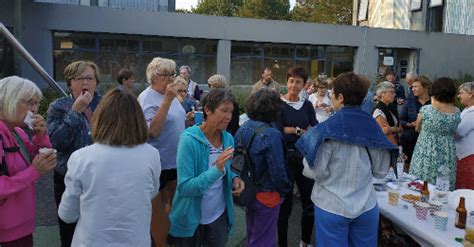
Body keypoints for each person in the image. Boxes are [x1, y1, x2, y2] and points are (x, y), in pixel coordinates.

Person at [295, 72, 396, 247]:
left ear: (340, 98)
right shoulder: (373, 126)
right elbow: (381, 171)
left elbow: (315, 171)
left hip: (331, 205)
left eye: (332, 94)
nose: (330, 97)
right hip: (366, 205)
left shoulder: (326, 128)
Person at [58, 89, 161, 246]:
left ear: (100, 119)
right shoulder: (151, 154)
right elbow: (151, 192)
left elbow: (67, 214)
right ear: (138, 120)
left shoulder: (81, 158)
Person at [169, 89, 245, 246]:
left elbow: (226, 170)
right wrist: (216, 169)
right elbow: (185, 188)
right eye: (224, 111)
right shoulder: (189, 140)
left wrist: (234, 178)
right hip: (191, 219)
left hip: (218, 217)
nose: (229, 117)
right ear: (208, 110)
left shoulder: (228, 138)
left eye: (231, 111)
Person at [47, 60, 102, 247]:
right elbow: (57, 142)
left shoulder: (105, 104)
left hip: (100, 176)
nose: (85, 83)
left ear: (96, 82)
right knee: (68, 227)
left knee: (97, 227)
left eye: (90, 78)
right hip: (66, 176)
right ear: (70, 83)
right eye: (79, 78)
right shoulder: (58, 106)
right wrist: (75, 111)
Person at [0, 76, 57, 247]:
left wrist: (41, 136)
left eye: (37, 103)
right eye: (30, 103)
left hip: (21, 225)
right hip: (5, 231)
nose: (35, 109)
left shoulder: (17, 131)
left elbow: (32, 156)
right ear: (10, 100)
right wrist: (34, 172)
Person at [138, 57, 188, 246]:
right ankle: (158, 241)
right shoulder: (146, 97)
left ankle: (171, 237)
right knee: (154, 209)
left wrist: (187, 120)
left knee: (175, 202)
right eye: (166, 74)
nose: (171, 78)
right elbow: (152, 132)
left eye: (172, 73)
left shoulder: (172, 94)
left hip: (176, 159)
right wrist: (167, 99)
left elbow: (174, 120)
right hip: (157, 161)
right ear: (153, 76)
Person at [235, 89, 292, 247]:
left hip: (247, 190)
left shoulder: (243, 128)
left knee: (253, 234)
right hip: (267, 193)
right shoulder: (271, 134)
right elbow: (278, 171)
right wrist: (285, 189)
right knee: (264, 239)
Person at [276, 66, 317, 247]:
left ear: (304, 84)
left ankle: (305, 242)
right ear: (287, 82)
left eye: (298, 81)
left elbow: (314, 129)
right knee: (285, 206)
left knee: (309, 204)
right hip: (285, 158)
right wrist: (300, 130)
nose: (294, 84)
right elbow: (277, 132)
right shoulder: (278, 104)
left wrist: (291, 129)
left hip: (304, 158)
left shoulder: (307, 105)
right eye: (291, 81)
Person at [410, 77, 461, 189]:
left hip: (426, 150)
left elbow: (417, 128)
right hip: (447, 152)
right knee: (443, 184)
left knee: (422, 180)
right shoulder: (457, 112)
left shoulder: (426, 110)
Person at [399, 76, 431, 168]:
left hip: (426, 141)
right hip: (409, 139)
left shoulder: (433, 103)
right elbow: (401, 120)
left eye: (416, 86)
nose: (413, 89)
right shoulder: (410, 101)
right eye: (412, 87)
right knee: (407, 167)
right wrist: (410, 124)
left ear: (425, 87)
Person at [455, 82, 474, 189]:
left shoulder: (472, 112)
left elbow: (459, 132)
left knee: (465, 188)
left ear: (471, 94)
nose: (458, 96)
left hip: (468, 155)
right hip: (461, 155)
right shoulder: (467, 110)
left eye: (461, 93)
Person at [373, 81, 401, 145]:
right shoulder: (378, 111)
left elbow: (400, 129)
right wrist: (398, 152)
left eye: (394, 92)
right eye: (391, 92)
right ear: (382, 94)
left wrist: (391, 129)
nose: (394, 94)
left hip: (397, 142)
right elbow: (387, 133)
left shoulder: (392, 107)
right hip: (386, 146)